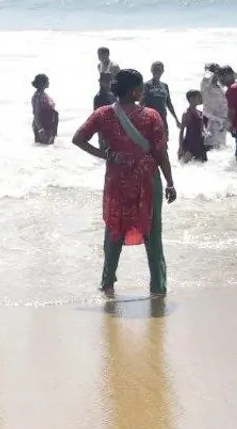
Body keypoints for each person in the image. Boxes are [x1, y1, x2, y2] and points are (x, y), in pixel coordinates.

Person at [71, 69, 177, 297]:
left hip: (116, 179)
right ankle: (158, 287)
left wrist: (105, 155)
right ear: (133, 90)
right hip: (146, 180)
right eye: (141, 87)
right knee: (152, 232)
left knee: (114, 229)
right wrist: (169, 181)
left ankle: (107, 283)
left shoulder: (103, 114)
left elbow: (78, 139)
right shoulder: (151, 116)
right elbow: (160, 152)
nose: (144, 91)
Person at [143, 61, 181, 138]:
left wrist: (176, 119)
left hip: (162, 117)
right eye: (155, 70)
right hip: (149, 118)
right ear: (151, 70)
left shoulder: (165, 86)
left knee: (164, 141)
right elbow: (141, 102)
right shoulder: (146, 85)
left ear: (162, 71)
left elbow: (169, 104)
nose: (157, 72)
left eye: (159, 70)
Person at [200, 63, 229, 151]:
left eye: (219, 72)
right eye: (216, 72)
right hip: (209, 120)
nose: (218, 74)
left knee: (220, 148)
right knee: (209, 147)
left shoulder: (220, 86)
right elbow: (206, 77)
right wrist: (210, 70)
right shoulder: (205, 85)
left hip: (221, 122)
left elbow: (234, 78)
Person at [178, 90, 208, 163]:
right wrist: (180, 147)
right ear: (192, 99)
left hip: (200, 144)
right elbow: (182, 131)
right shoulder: (186, 113)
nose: (201, 99)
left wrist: (206, 134)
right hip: (189, 145)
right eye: (199, 97)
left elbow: (202, 129)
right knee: (186, 167)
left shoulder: (200, 113)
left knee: (202, 168)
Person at [31, 73, 59, 145]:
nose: (48, 82)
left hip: (48, 125)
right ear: (42, 83)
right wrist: (41, 130)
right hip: (43, 126)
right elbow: (36, 113)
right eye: (47, 81)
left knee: (48, 150)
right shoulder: (38, 96)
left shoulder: (42, 94)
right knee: (44, 148)